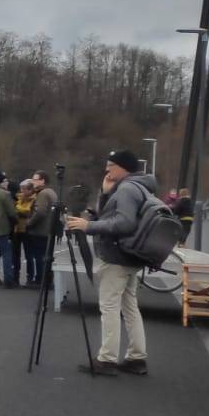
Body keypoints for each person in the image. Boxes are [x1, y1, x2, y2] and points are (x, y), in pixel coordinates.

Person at [65, 150, 155, 377]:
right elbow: (111, 215)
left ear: (123, 167)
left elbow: (124, 223)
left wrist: (88, 226)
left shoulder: (126, 189)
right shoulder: (140, 187)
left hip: (116, 256)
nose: (107, 169)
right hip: (131, 256)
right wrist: (106, 194)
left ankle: (107, 359)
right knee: (130, 307)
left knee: (110, 308)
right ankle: (137, 357)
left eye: (111, 165)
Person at [24, 170, 59, 287]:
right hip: (49, 229)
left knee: (40, 257)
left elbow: (40, 212)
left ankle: (41, 280)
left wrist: (29, 222)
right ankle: (47, 279)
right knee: (47, 256)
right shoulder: (52, 192)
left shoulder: (43, 194)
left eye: (35, 179)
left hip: (40, 230)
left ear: (43, 181)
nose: (33, 182)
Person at [11, 180, 35, 287]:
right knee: (15, 255)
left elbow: (28, 212)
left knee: (29, 255)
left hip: (27, 230)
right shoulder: (19, 198)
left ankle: (30, 277)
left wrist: (17, 210)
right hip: (17, 229)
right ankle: (15, 277)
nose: (22, 191)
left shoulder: (34, 199)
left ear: (30, 190)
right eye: (21, 189)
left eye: (24, 189)